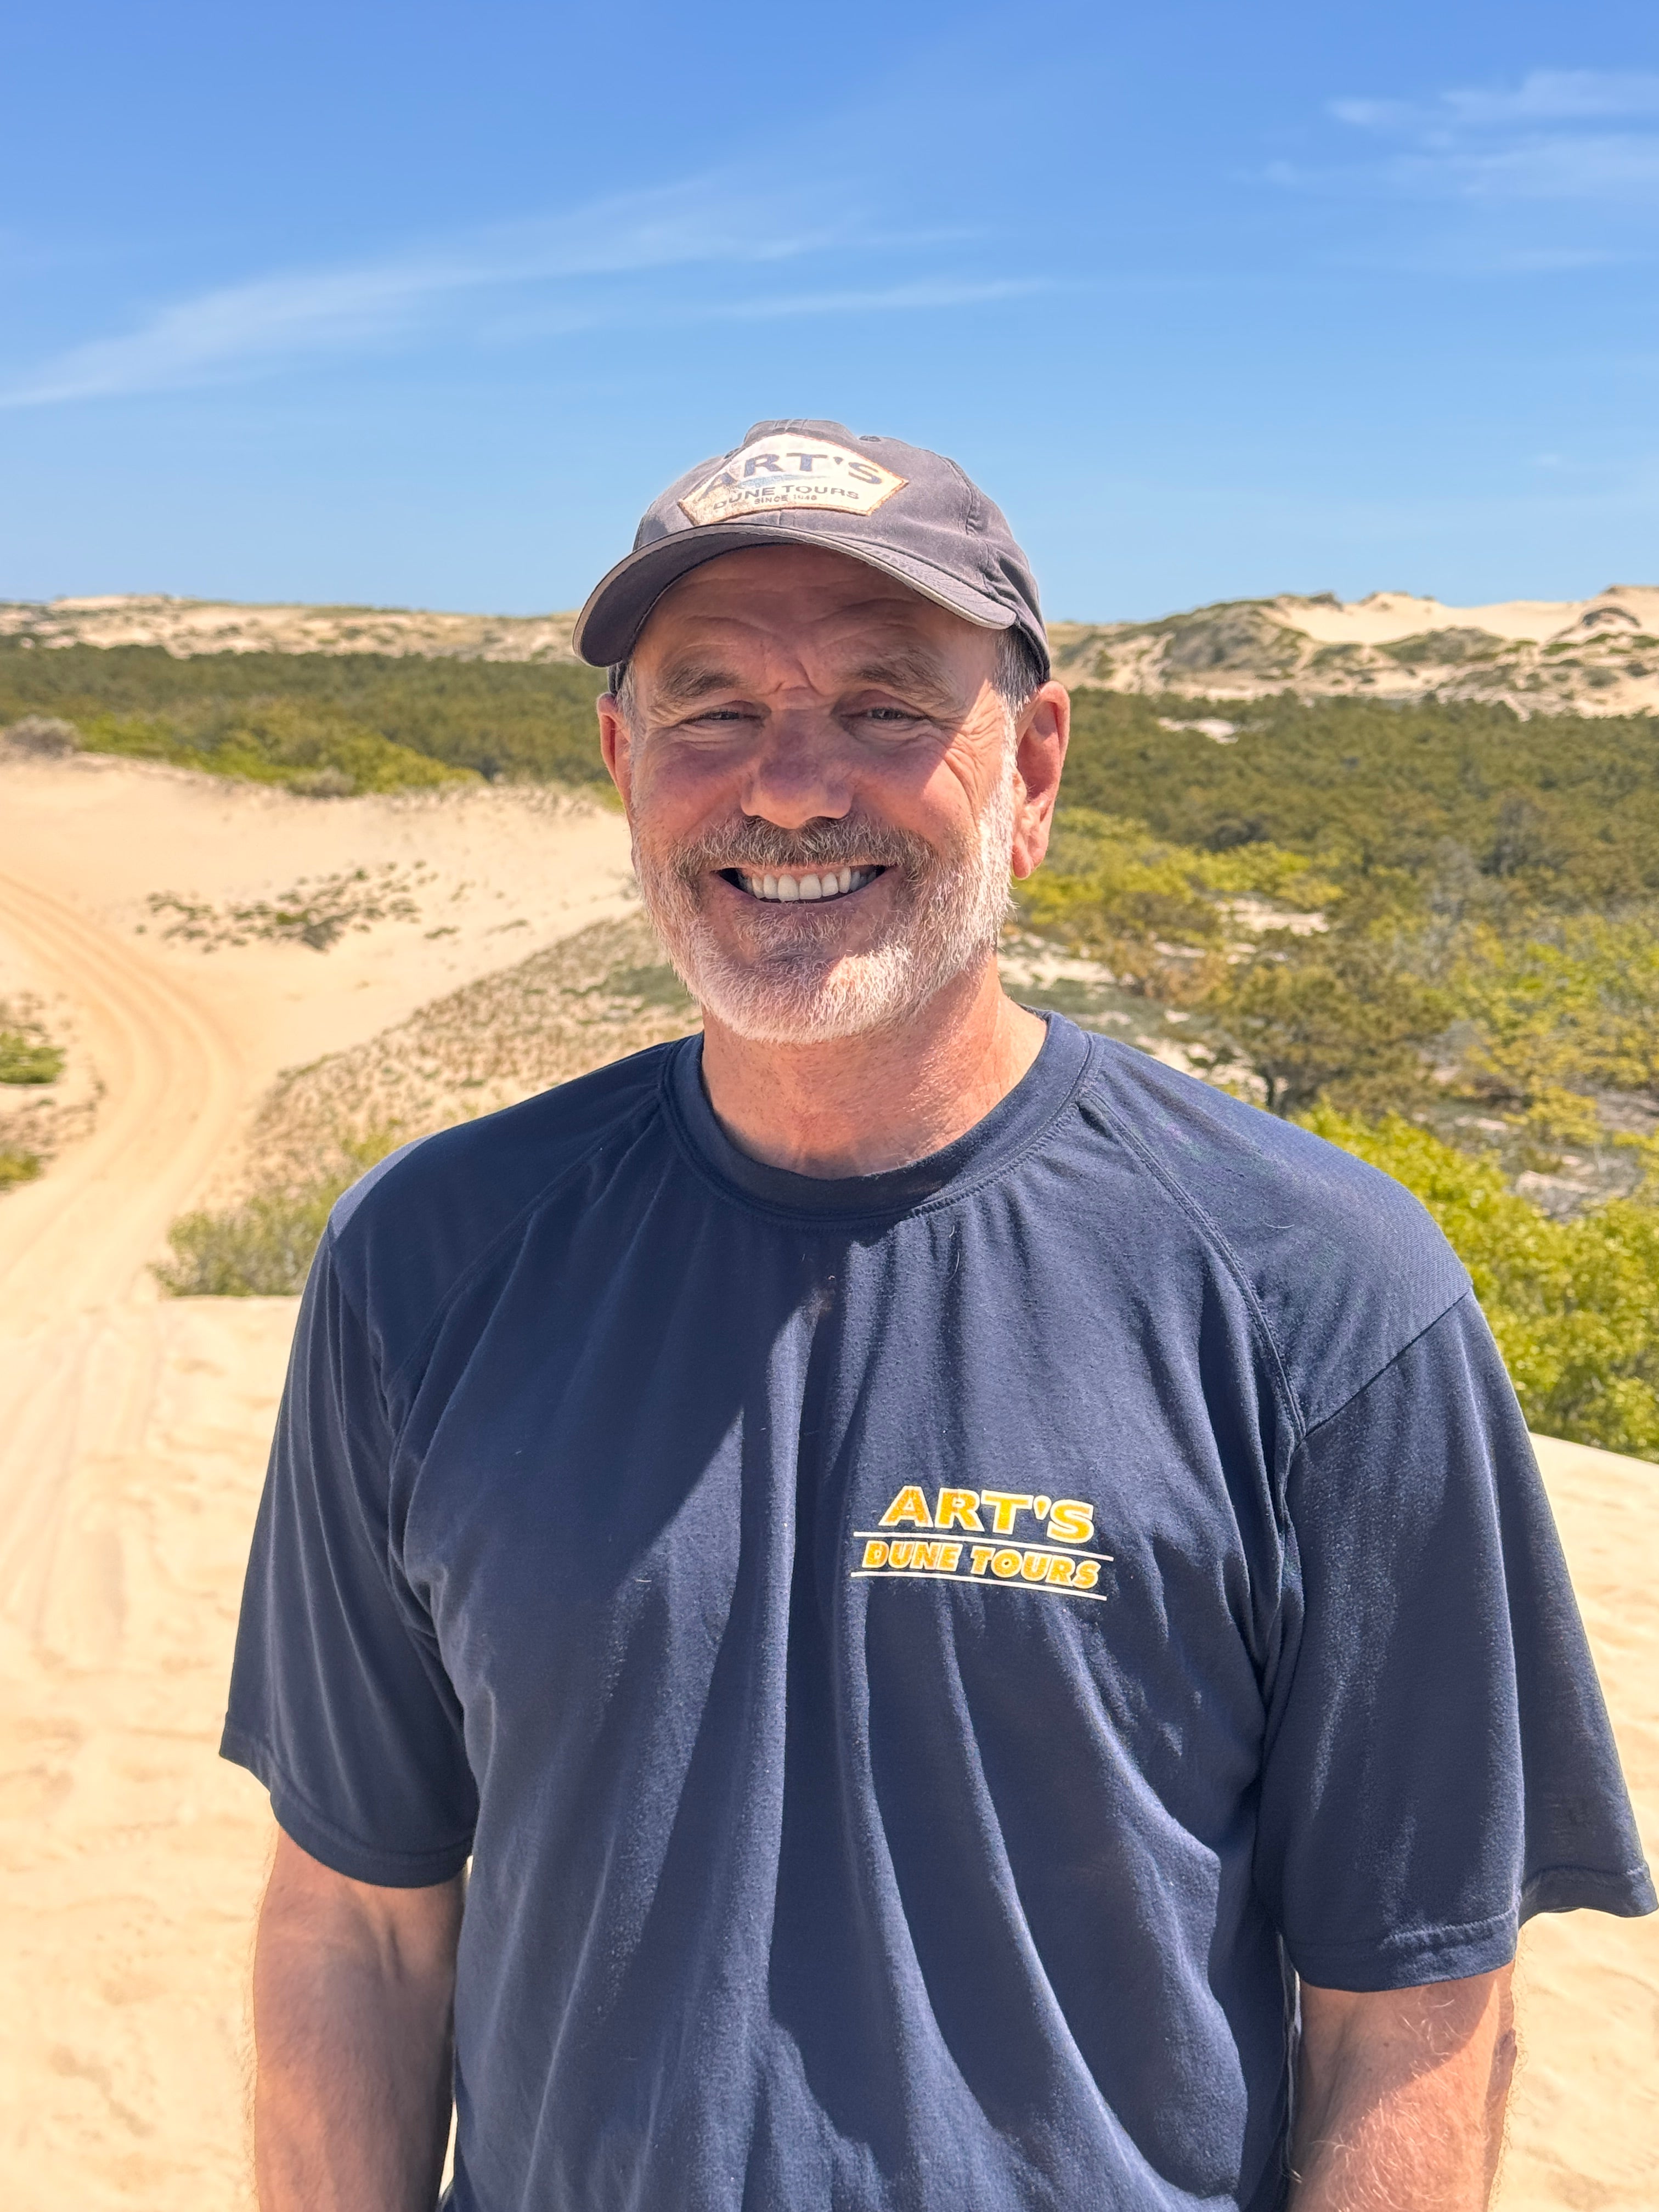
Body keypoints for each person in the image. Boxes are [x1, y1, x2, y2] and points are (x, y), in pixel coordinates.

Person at [224, 419, 1654, 2212]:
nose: (795, 786)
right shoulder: (427, 1262)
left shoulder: (1323, 1296)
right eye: (714, 707)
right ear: (622, 762)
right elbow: (358, 1926)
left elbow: (1415, 2003)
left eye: (890, 707)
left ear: (1034, 763)